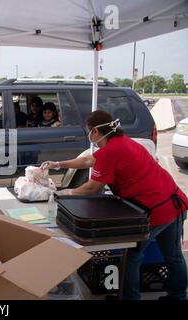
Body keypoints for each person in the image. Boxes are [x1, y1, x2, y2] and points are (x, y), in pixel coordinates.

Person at [41, 110, 187, 300]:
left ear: (94, 132)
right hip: (172, 201)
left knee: (132, 256)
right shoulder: (122, 142)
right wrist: (58, 164)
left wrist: (64, 193)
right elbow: (88, 160)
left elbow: (92, 188)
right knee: (174, 256)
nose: (88, 134)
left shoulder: (111, 151)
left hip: (154, 211)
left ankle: (130, 298)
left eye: (88, 131)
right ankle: (178, 297)